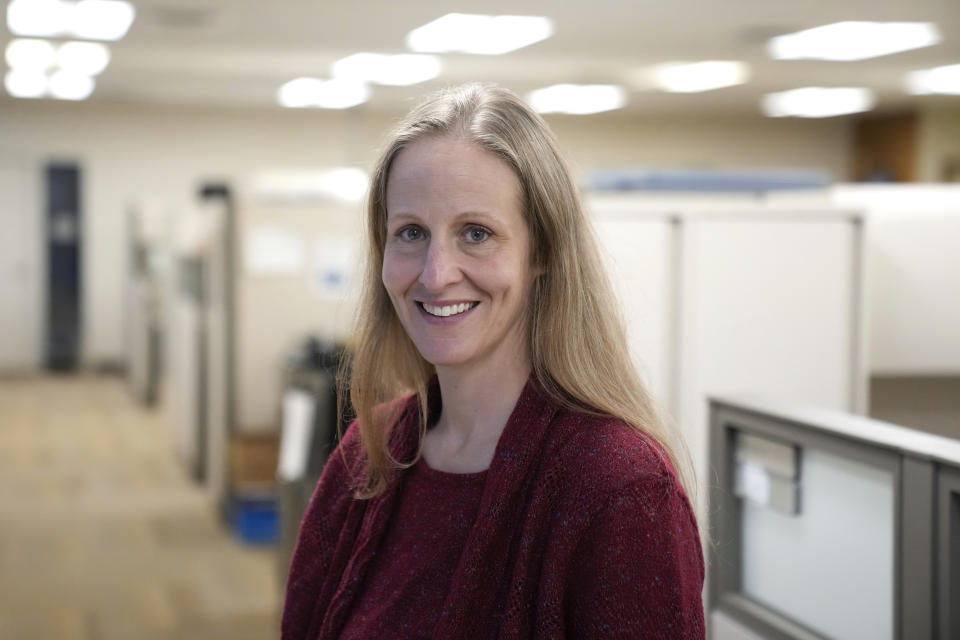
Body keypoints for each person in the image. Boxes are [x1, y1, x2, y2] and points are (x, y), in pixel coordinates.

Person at [281, 83, 705, 639]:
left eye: (475, 234)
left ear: (543, 253)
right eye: (411, 233)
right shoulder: (369, 455)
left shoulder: (619, 490)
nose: (435, 274)